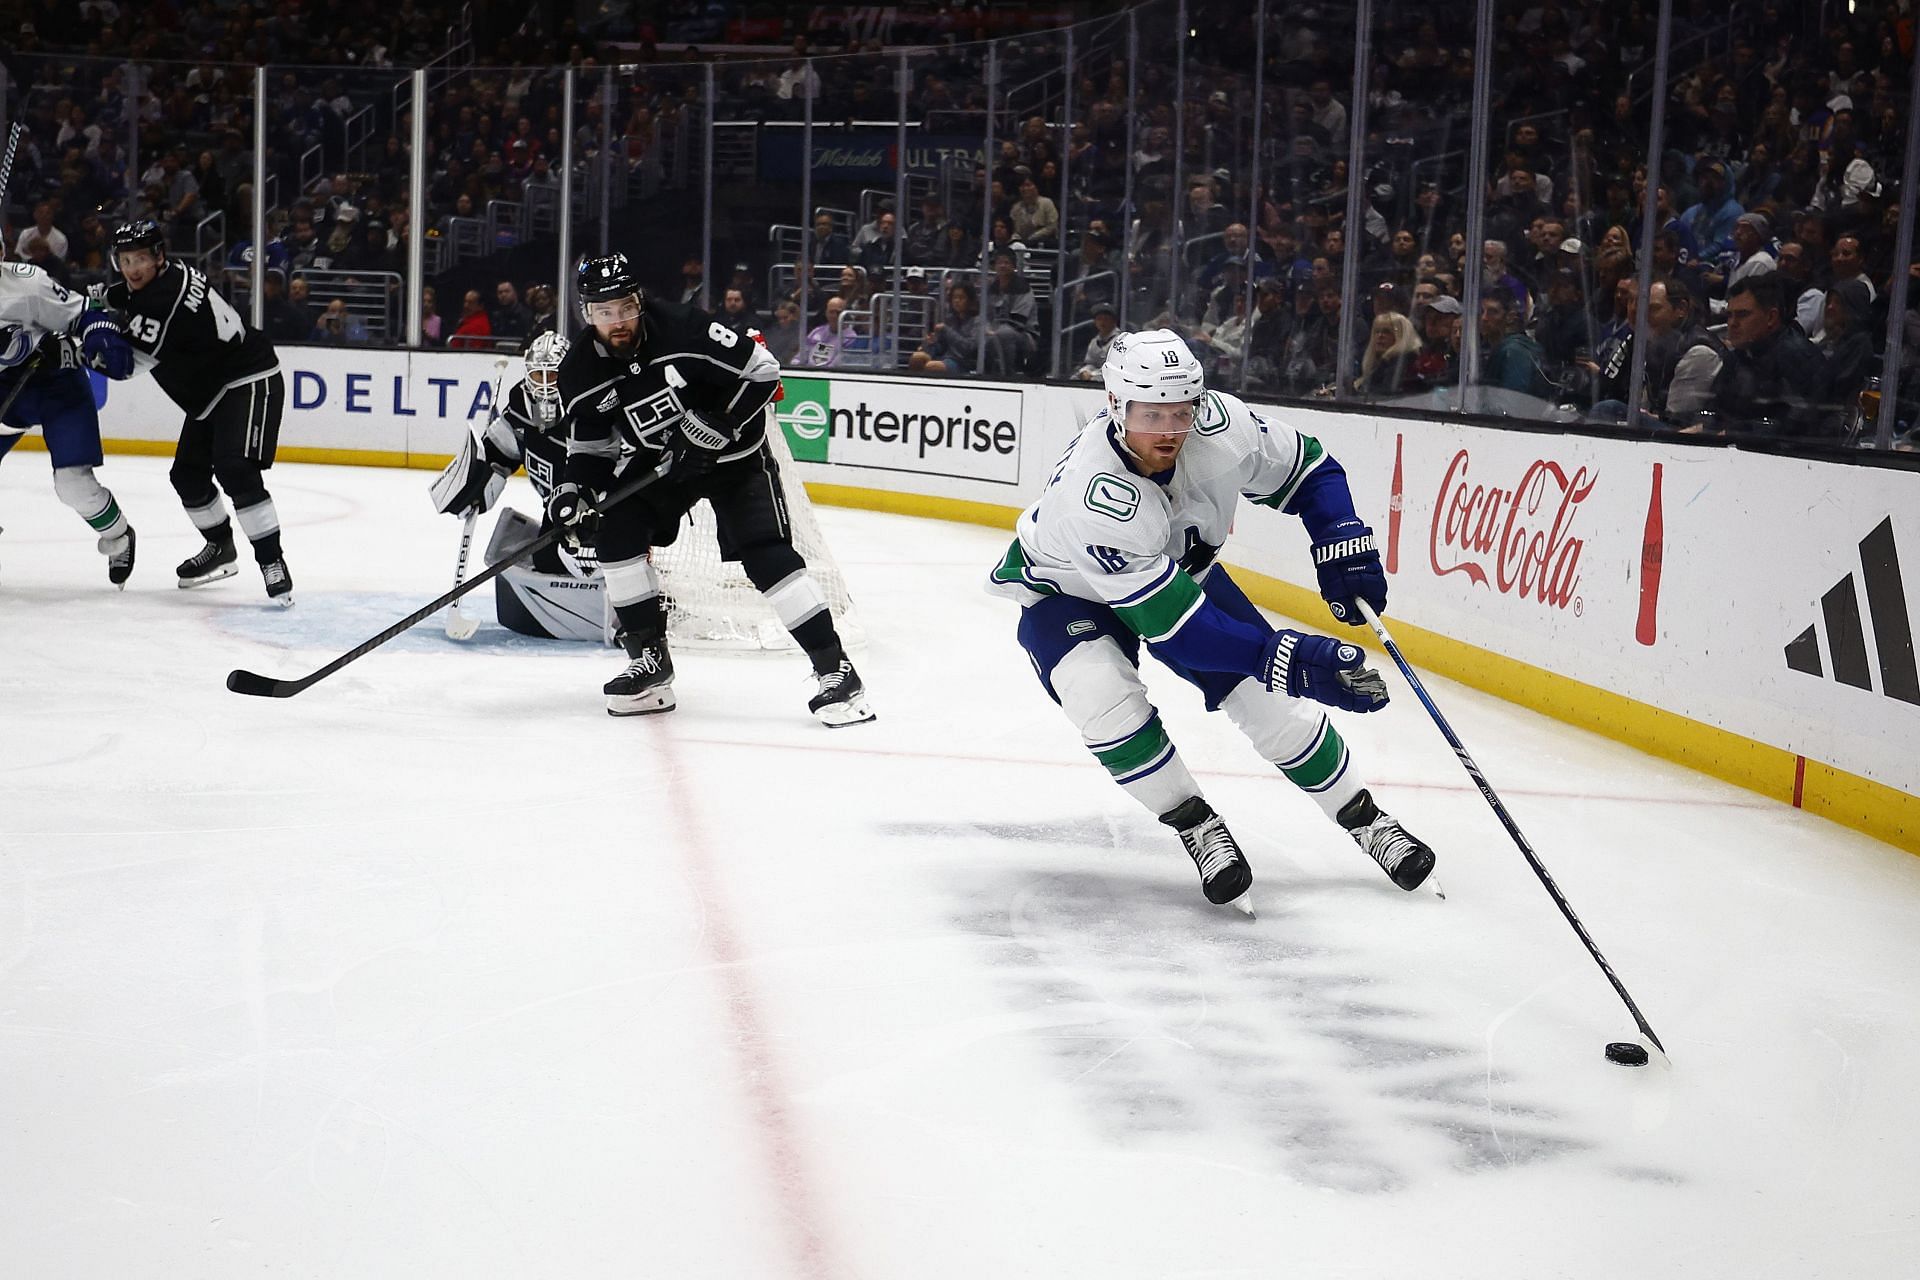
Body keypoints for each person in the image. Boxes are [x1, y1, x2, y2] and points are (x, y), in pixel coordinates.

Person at [986, 329, 1438, 910]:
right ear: (1116, 408)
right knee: (1103, 700)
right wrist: (1290, 660)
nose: (1170, 430)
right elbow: (1177, 629)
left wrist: (1338, 536)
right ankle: (1196, 823)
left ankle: (1366, 819)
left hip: (1173, 573)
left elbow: (1313, 471)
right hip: (1064, 592)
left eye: (1181, 411)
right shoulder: (1095, 498)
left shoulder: (1223, 426)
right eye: (1152, 414)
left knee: (1267, 699)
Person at [549, 253, 873, 724]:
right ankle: (650, 661)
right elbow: (592, 447)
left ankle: (836, 671)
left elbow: (764, 371)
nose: (616, 321)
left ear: (639, 301)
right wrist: (575, 492)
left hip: (736, 459)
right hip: (662, 463)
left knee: (766, 554)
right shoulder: (579, 370)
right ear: (587, 313)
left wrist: (717, 424)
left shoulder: (683, 327)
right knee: (615, 534)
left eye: (624, 308)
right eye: (604, 312)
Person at [105, 220, 293, 603]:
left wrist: (84, 340)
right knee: (187, 476)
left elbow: (126, 366)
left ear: (158, 257)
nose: (133, 268)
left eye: (141, 258)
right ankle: (220, 547)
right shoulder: (161, 281)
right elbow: (122, 299)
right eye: (126, 260)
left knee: (235, 468)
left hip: (247, 376)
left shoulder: (162, 300)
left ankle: (272, 561)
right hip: (211, 391)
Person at [429, 333, 607, 640]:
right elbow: (499, 454)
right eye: (539, 374)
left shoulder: (586, 405)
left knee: (599, 557)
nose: (546, 382)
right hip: (558, 509)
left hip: (597, 506)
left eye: (554, 373)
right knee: (548, 559)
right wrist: (477, 482)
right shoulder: (519, 410)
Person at [0, 242, 139, 585]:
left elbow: (85, 313)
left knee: (73, 485)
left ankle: (119, 536)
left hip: (55, 383)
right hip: (5, 391)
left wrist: (93, 337)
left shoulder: (27, 284)